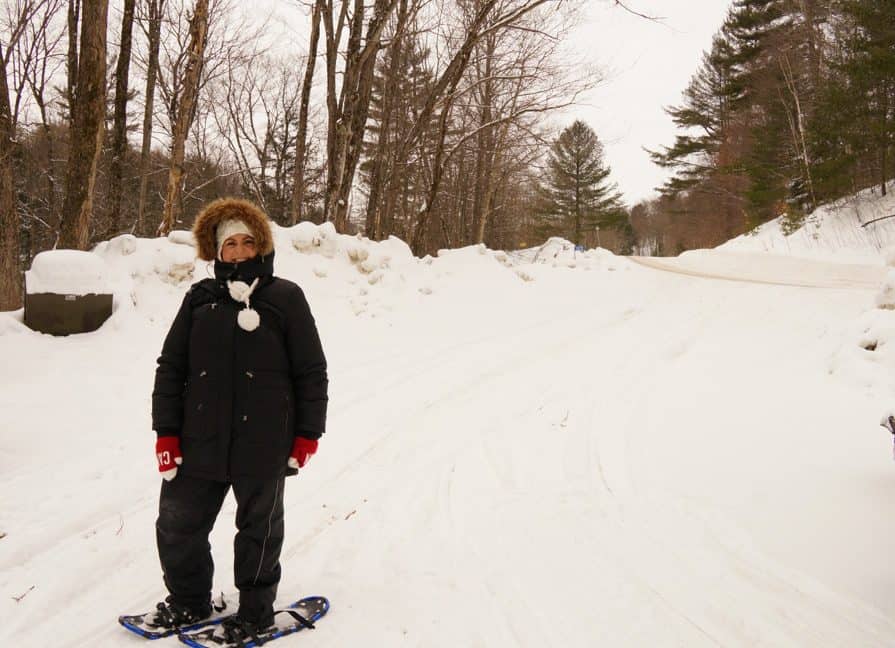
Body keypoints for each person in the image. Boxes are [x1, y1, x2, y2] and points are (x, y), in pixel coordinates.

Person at [148, 197, 328, 641]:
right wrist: (166, 433)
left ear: (261, 246)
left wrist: (307, 434)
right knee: (177, 524)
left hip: (264, 442)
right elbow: (171, 367)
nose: (240, 251)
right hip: (199, 440)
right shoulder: (199, 299)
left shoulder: (285, 297)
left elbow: (311, 370)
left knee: (259, 533)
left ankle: (255, 612)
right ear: (216, 250)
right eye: (231, 243)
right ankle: (189, 601)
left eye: (249, 242)